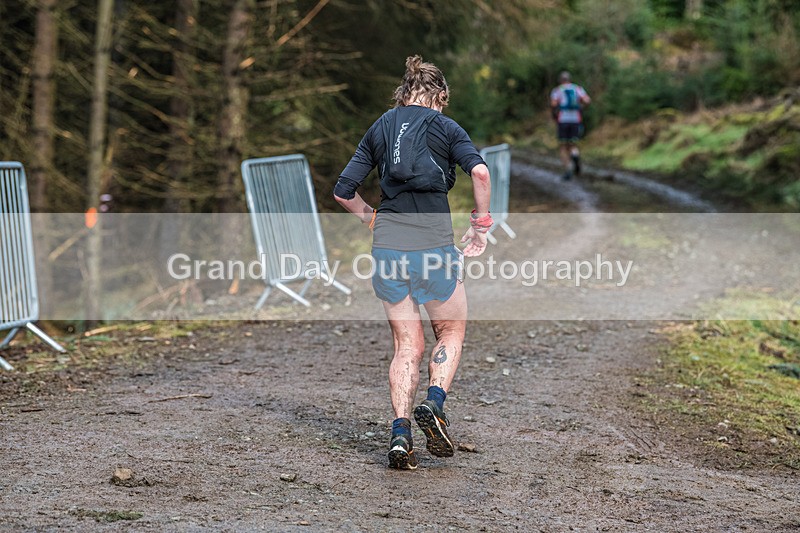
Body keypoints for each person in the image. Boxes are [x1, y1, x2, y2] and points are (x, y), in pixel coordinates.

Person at [334, 55, 492, 470]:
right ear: (439, 96)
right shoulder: (445, 126)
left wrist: (373, 220)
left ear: (404, 93)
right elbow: (480, 174)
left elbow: (343, 190)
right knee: (451, 329)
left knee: (407, 345)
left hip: (387, 248)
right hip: (433, 247)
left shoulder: (381, 126)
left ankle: (400, 434)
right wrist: (481, 226)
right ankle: (434, 404)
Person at [550, 71, 591, 180]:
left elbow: (553, 104)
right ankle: (575, 156)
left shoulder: (558, 90)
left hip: (563, 120)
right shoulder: (577, 88)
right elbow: (587, 100)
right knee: (573, 144)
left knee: (563, 146)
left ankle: (568, 169)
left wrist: (555, 115)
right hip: (575, 119)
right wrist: (581, 107)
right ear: (570, 79)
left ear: (560, 80)